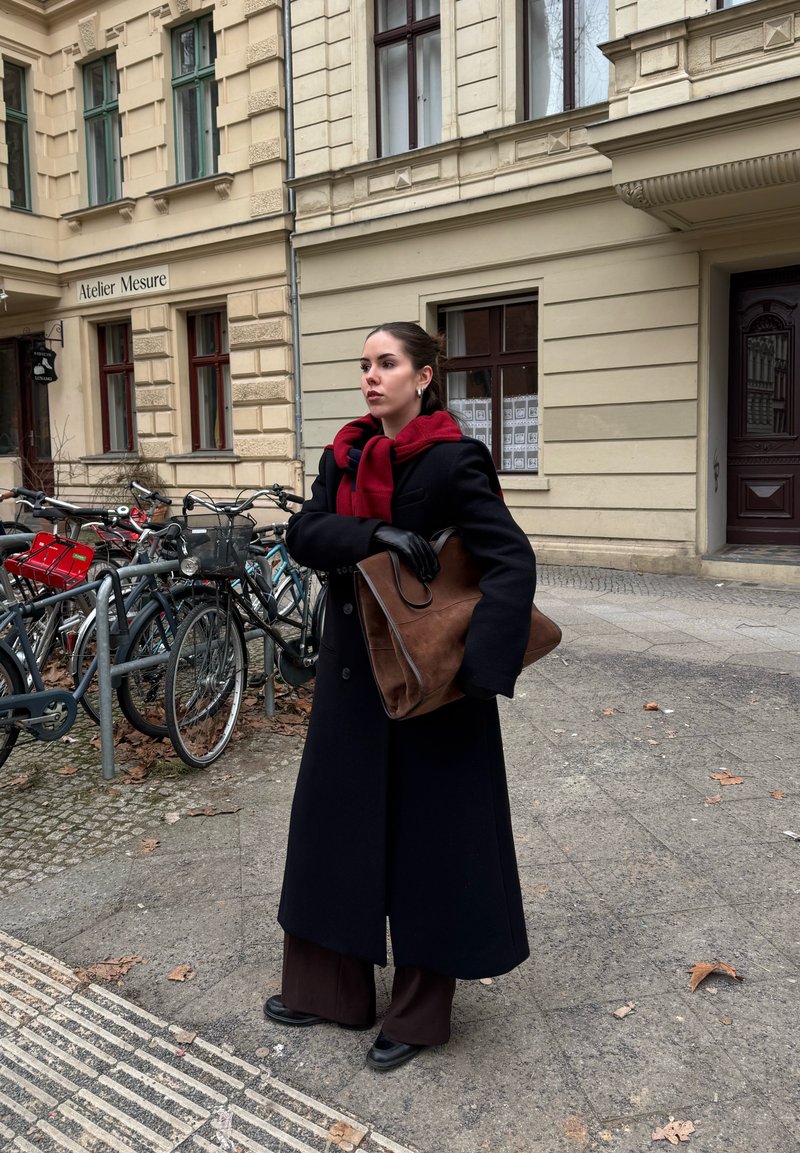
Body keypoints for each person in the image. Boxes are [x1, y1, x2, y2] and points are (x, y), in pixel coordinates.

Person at [266, 321, 536, 1071]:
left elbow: (510, 558)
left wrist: (479, 672)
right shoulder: (344, 452)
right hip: (355, 671)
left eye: (387, 363)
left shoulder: (454, 459)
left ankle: (418, 1013)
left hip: (432, 683)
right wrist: (376, 533)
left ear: (423, 376)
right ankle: (332, 989)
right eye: (365, 365)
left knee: (432, 843)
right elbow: (306, 532)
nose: (371, 376)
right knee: (332, 825)